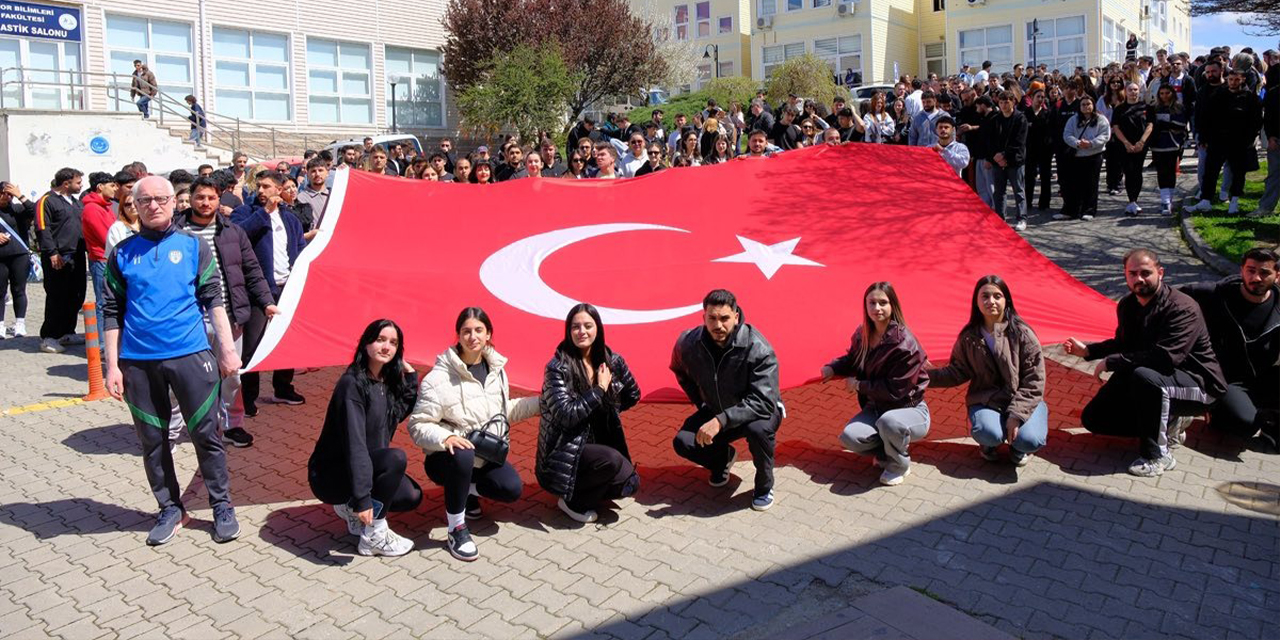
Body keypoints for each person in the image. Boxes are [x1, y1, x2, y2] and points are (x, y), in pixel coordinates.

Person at [101, 176, 242, 546]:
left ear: (174, 201)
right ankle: (170, 508)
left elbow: (214, 300)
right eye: (144, 200)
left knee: (206, 435)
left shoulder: (194, 247)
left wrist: (226, 349)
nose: (153, 205)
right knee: (153, 440)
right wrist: (112, 365)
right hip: (138, 362)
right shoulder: (122, 253)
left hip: (191, 356)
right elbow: (111, 310)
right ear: (134, 205)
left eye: (161, 198)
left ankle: (221, 505)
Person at [1065, 249, 1226, 477]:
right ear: (1125, 275)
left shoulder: (1182, 307)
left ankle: (1157, 455)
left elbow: (1166, 358)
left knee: (1144, 377)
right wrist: (1090, 350)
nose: (1139, 279)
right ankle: (1168, 421)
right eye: (1133, 273)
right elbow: (1124, 344)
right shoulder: (1128, 304)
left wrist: (1112, 363)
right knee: (1094, 419)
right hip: (1155, 378)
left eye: (1145, 273)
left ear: (1160, 273)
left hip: (1200, 385)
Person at [407, 308, 538, 561]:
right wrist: (445, 439)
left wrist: (541, 404)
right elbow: (418, 424)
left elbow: (504, 410)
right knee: (464, 454)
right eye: (466, 331)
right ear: (458, 335)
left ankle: (465, 490)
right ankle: (456, 528)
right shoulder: (439, 377)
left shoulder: (497, 370)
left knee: (511, 489)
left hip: (485, 456)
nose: (472, 336)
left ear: (488, 334)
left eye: (479, 330)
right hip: (448, 459)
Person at [174, 177, 279, 448]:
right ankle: (187, 429)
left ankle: (233, 425)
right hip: (189, 319)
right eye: (200, 197)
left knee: (232, 375)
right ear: (190, 198)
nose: (205, 203)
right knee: (190, 378)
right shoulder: (174, 232)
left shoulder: (233, 231)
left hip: (229, 318)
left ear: (219, 199)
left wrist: (266, 301)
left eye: (211, 197)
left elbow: (252, 270)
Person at [309, 319, 421, 556]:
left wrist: (411, 380)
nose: (386, 347)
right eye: (380, 340)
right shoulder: (352, 384)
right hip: (331, 474)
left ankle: (351, 508)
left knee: (410, 496)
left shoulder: (384, 382)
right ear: (366, 343)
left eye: (393, 343)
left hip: (360, 468)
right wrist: (363, 499)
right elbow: (355, 445)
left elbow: (394, 415)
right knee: (395, 458)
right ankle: (373, 535)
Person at [670, 289, 782, 511]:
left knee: (758, 431)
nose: (718, 325)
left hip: (758, 411)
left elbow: (762, 401)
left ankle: (764, 486)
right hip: (717, 409)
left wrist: (720, 421)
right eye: (712, 318)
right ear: (704, 318)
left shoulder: (758, 348)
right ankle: (723, 460)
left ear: (736, 317)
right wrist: (701, 403)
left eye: (724, 318)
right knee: (683, 441)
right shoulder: (688, 343)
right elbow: (679, 369)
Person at [537, 304, 642, 523]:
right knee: (611, 461)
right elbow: (566, 415)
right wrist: (599, 390)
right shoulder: (557, 368)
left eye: (587, 326)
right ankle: (571, 501)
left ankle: (586, 490)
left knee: (629, 483)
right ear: (568, 331)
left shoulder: (611, 360)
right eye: (575, 327)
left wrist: (609, 410)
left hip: (597, 445)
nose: (581, 331)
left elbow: (633, 394)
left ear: (598, 329)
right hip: (566, 448)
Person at [928, 276, 1048, 466]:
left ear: (1006, 300)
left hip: (1024, 400)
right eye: (984, 296)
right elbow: (956, 372)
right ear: (976, 301)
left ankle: (1018, 447)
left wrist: (1016, 415)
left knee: (1030, 440)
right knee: (989, 434)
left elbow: (1035, 380)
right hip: (986, 400)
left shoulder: (1023, 334)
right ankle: (989, 444)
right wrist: (924, 375)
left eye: (997, 296)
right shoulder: (968, 337)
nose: (990, 301)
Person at [823, 282, 930, 486]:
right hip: (878, 407)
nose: (877, 308)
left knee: (889, 423)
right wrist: (833, 368)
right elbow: (853, 359)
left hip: (909, 408)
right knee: (850, 437)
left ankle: (899, 464)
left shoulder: (905, 343)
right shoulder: (862, 334)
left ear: (893, 306)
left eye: (883, 303)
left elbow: (896, 391)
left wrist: (858, 385)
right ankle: (887, 452)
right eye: (872, 303)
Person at [1179, 248, 1279, 449]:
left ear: (1277, 276)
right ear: (1241, 270)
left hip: (1265, 376)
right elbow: (1167, 298)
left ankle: (1270, 428)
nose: (1256, 277)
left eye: (1265, 272)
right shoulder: (1214, 294)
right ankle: (1216, 411)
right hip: (1227, 379)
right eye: (1250, 270)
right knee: (1245, 424)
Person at [232, 171, 308, 414]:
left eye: (267, 186)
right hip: (258, 291)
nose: (261, 191)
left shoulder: (291, 219)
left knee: (287, 342)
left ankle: (282, 388)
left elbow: (298, 249)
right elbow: (236, 235)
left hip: (287, 288)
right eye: (259, 186)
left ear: (279, 189)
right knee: (252, 348)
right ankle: (248, 399)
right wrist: (263, 213)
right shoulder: (247, 212)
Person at [1187, 67, 1264, 215]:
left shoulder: (1251, 98)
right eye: (1231, 79)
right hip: (1217, 140)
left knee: (1238, 173)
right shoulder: (1218, 95)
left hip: (1239, 142)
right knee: (1210, 172)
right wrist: (1203, 136)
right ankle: (1205, 200)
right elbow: (1207, 117)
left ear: (1243, 80)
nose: (1233, 82)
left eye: (1237, 80)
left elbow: (1256, 121)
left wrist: (1249, 139)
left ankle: (1234, 201)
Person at [35, 168, 87, 354]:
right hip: (58, 256)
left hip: (77, 255)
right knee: (57, 296)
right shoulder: (46, 201)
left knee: (76, 294)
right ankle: (49, 337)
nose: (81, 186)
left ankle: (67, 331)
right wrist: (52, 252)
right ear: (66, 183)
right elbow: (43, 228)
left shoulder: (75, 202)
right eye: (78, 182)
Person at [1055, 95, 1110, 221]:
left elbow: (1105, 135)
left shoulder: (1101, 119)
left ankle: (1089, 210)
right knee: (1073, 184)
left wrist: (1091, 143)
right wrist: (1077, 143)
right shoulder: (1073, 120)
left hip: (1094, 155)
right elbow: (1067, 134)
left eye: (1088, 104)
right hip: (1077, 155)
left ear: (1093, 105)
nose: (1086, 107)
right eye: (1083, 104)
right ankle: (1071, 210)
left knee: (1091, 184)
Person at [985, 91, 1029, 231]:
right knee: (999, 192)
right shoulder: (995, 119)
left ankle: (1022, 218)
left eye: (1007, 102)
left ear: (1013, 102)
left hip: (1015, 160)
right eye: (1001, 102)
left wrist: (1004, 156)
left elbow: (1019, 141)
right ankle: (1000, 218)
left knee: (1018, 190)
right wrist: (994, 157)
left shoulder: (1020, 118)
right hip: (998, 161)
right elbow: (990, 140)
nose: (1004, 105)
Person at [1111, 82, 1154, 216]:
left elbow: (1150, 125)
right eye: (1130, 90)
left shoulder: (1146, 107)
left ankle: (1135, 200)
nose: (1133, 92)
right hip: (1124, 145)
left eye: (1136, 89)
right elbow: (1116, 127)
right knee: (1128, 171)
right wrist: (1126, 143)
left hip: (1141, 144)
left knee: (1137, 171)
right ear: (1125, 91)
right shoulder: (1119, 109)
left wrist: (1141, 142)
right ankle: (1131, 200)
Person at [0, 181, 35, 338]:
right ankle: (0, 324)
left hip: (19, 255)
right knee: (0, 292)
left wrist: (20, 196)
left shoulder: (17, 209)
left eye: (9, 194)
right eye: (3, 193)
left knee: (19, 290)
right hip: (1, 257)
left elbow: (34, 211)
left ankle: (19, 323)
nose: (7, 197)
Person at [1148, 84, 1189, 216]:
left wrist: (1167, 125)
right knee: (1161, 172)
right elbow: (1150, 124)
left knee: (1171, 171)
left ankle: (1169, 199)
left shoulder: (1178, 107)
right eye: (1162, 93)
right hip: (1158, 144)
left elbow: (1181, 125)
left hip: (1172, 143)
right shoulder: (1155, 108)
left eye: (1167, 93)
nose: (1165, 96)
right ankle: (1164, 199)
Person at [1021, 89, 1054, 211]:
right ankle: (1027, 202)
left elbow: (1051, 131)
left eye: (1042, 97)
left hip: (1045, 150)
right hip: (1029, 150)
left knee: (1045, 176)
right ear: (1032, 98)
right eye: (1038, 96)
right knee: (1029, 176)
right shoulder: (1025, 114)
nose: (1040, 99)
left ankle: (1044, 203)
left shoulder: (1048, 113)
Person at [297, 157, 330, 227]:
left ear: (327, 173)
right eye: (313, 171)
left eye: (320, 170)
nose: (317, 174)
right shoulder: (301, 199)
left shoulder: (335, 195)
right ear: (307, 174)